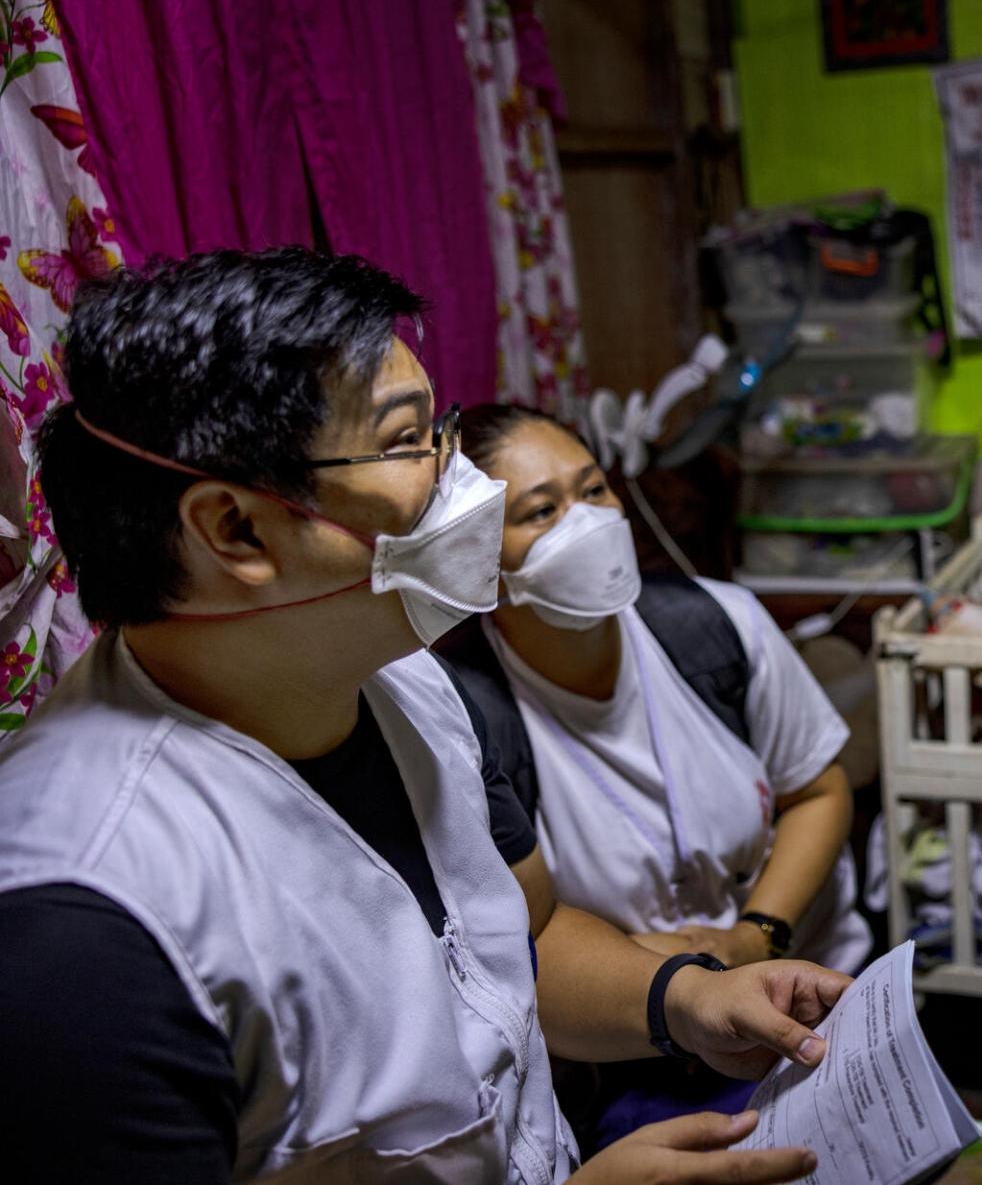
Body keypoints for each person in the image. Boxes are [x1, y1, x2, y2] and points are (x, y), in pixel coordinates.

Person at [0, 249, 851, 1183]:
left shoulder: (410, 680)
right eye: (410, 443)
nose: (464, 485)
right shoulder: (84, 927)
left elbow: (519, 941)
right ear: (236, 529)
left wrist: (685, 998)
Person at [439, 402, 870, 1149]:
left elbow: (817, 790)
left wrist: (754, 936)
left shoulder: (718, 625)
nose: (588, 522)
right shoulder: (463, 715)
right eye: (542, 511)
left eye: (595, 490)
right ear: (479, 558)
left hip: (818, 1002)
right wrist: (678, 982)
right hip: (635, 1054)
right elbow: (514, 940)